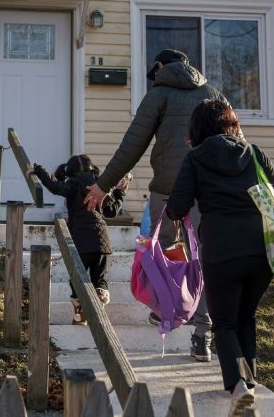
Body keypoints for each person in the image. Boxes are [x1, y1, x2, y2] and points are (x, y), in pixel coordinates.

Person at [83, 49, 224, 360]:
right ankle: (203, 335)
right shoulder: (213, 93)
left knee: (160, 252)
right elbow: (234, 140)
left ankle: (165, 310)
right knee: (203, 257)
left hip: (168, 190)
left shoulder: (159, 94)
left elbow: (133, 143)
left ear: (160, 66)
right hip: (207, 191)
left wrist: (103, 185)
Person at [165, 99, 274, 416]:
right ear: (231, 122)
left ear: (197, 128)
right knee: (246, 317)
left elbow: (177, 204)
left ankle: (239, 387)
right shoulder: (256, 154)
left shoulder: (195, 159)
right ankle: (249, 382)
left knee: (225, 323)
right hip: (262, 252)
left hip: (221, 251)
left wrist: (175, 214)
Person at [29, 154, 127, 324]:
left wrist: (38, 169)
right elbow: (112, 211)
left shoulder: (73, 184)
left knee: (77, 279)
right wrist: (119, 193)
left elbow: (54, 186)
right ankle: (100, 293)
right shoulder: (100, 184)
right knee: (99, 278)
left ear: (71, 171)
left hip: (81, 240)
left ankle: (80, 311)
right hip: (101, 240)